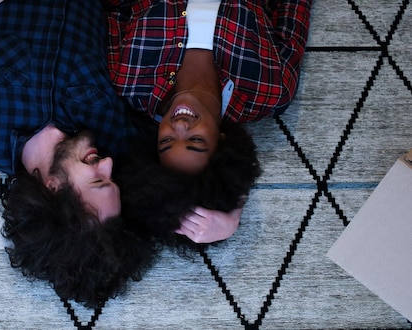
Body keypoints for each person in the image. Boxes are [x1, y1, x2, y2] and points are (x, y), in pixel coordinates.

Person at [0, 0, 155, 307]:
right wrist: (226, 212)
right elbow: (190, 152)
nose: (108, 163)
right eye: (111, 178)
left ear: (53, 189)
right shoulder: (115, 136)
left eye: (98, 181)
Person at [105, 0, 311, 243]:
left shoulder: (129, 80)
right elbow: (294, 7)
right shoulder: (269, 90)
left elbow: (115, 7)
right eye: (195, 140)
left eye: (167, 140)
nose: (179, 125)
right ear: (221, 142)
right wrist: (234, 212)